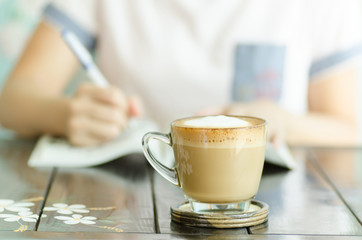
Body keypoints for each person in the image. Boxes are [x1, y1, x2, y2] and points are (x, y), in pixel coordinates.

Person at [0, 0, 361, 147]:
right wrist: (65, 115)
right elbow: (12, 101)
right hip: (122, 200)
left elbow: (350, 127)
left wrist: (283, 122)